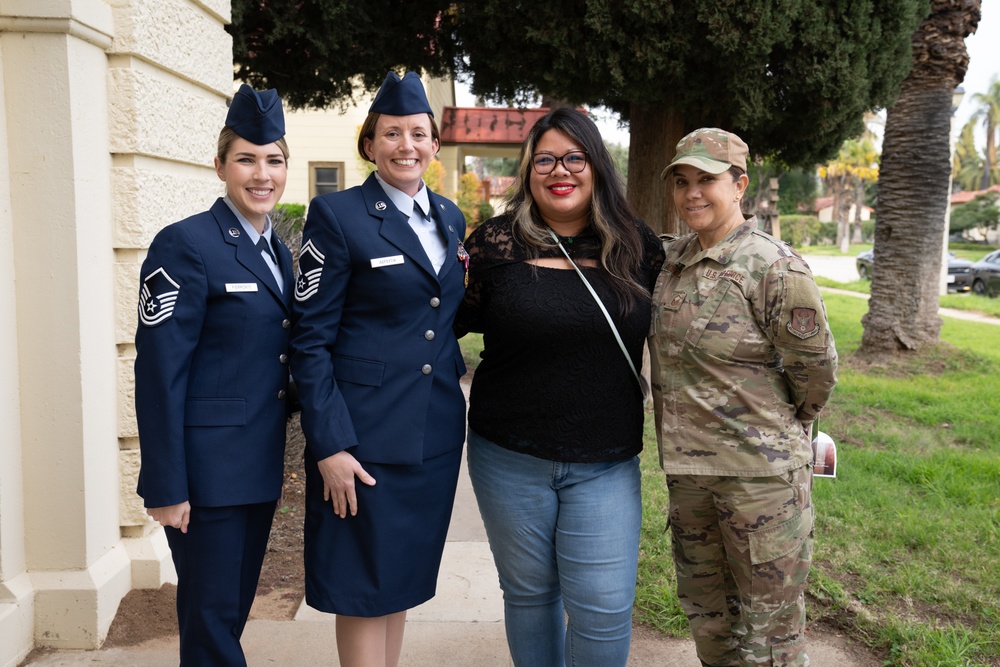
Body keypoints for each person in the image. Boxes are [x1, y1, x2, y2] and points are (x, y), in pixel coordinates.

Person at [454, 107, 665, 667]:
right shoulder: (493, 246)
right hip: (508, 457)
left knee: (604, 607)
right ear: (528, 171)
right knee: (529, 595)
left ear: (597, 166)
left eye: (574, 157)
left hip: (606, 459)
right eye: (544, 159)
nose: (559, 170)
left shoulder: (637, 247)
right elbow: (436, 326)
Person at [289, 71, 467, 667]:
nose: (406, 146)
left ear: (435, 145)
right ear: (370, 144)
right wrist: (330, 445)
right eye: (392, 134)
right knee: (363, 589)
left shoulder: (450, 216)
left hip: (432, 438)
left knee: (398, 583)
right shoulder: (337, 215)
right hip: (362, 440)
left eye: (418, 133)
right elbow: (309, 342)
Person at [649, 128, 838, 666]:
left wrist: (781, 431)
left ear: (739, 185)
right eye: (682, 181)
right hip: (690, 478)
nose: (692, 194)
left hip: (760, 483)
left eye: (707, 180)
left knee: (769, 634)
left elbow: (816, 371)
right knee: (710, 619)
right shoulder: (673, 262)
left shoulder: (774, 267)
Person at [134, 84, 293, 666]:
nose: (262, 174)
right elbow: (160, 372)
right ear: (221, 163)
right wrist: (166, 484)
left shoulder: (276, 249)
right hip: (205, 477)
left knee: (227, 612)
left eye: (273, 159)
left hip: (255, 466)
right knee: (210, 623)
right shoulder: (186, 244)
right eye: (247, 158)